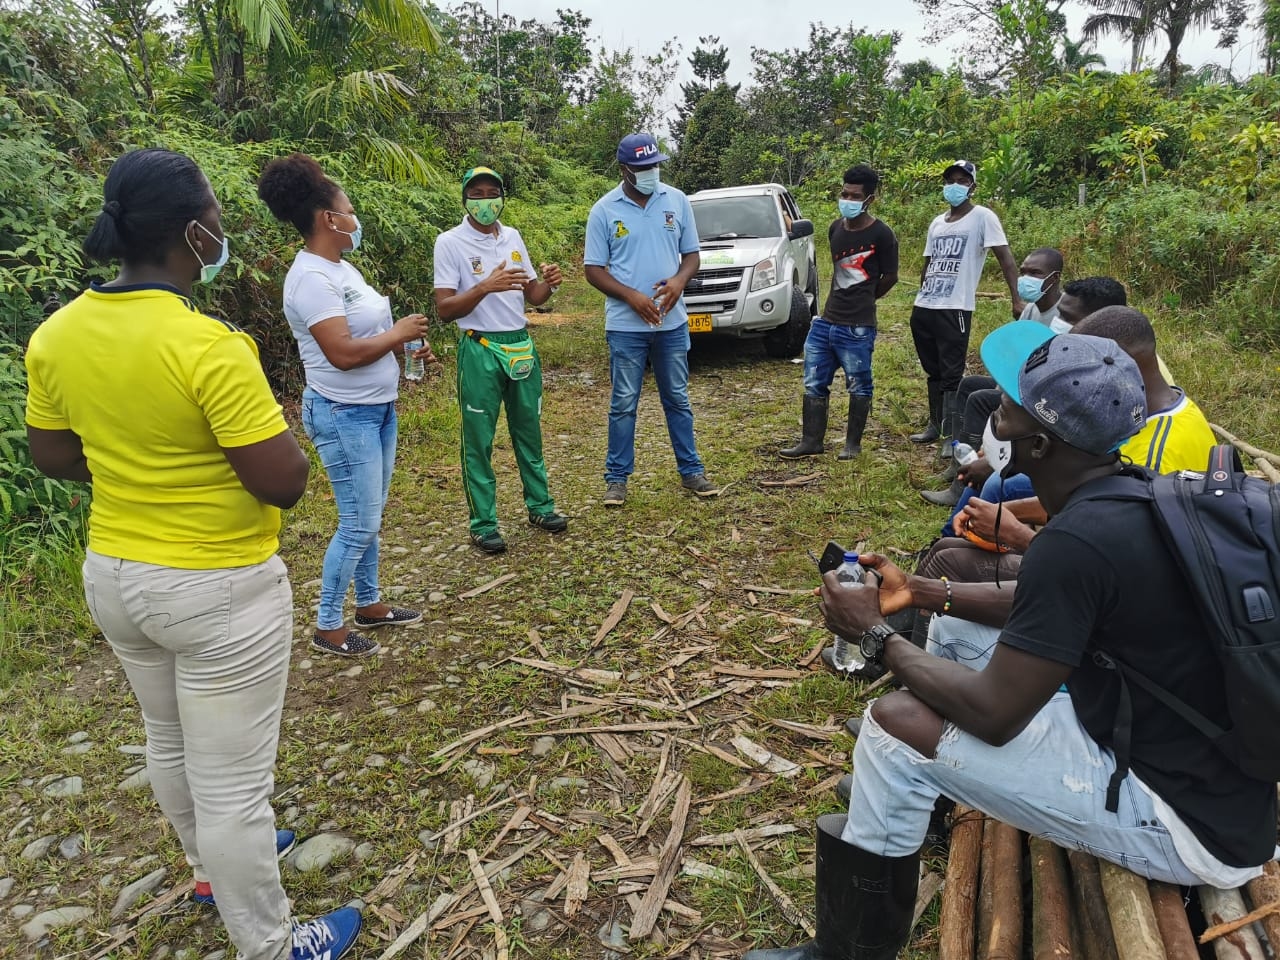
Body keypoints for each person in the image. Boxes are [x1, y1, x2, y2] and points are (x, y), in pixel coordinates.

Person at [746, 328, 1276, 960]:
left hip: (1182, 822)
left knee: (892, 729)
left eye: (1004, 410)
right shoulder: (1133, 495)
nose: (993, 418)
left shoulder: (1075, 543)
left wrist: (875, 635)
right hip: (1199, 772)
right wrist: (918, 592)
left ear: (1041, 444)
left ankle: (847, 952)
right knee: (955, 631)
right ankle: (933, 800)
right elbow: (1043, 610)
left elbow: (995, 717)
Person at [24, 148, 362, 960]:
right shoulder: (209, 345)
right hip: (216, 586)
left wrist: (138, 462)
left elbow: (52, 455)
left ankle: (207, 871)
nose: (223, 229)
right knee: (236, 789)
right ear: (189, 231)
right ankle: (273, 944)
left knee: (167, 740)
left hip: (115, 577)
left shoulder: (57, 333)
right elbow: (281, 481)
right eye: (214, 215)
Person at [258, 153, 432, 658]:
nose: (355, 218)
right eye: (348, 209)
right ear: (329, 219)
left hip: (376, 407)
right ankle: (328, 626)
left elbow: (367, 333)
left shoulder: (342, 269)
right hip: (342, 412)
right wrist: (396, 333)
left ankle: (370, 604)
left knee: (370, 514)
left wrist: (401, 344)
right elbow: (340, 352)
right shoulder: (312, 279)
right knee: (358, 521)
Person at [433, 166, 569, 554]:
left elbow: (533, 295)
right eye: (476, 194)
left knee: (530, 432)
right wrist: (484, 287)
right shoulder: (450, 243)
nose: (485, 201)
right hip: (480, 348)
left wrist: (551, 283)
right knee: (479, 440)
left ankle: (541, 507)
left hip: (520, 345)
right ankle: (484, 522)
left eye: (493, 193)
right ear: (464, 199)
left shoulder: (512, 237)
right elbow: (445, 309)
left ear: (502, 198)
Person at [585, 132, 720, 507]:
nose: (650, 173)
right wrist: (630, 296)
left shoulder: (675, 200)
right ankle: (616, 479)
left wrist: (678, 281)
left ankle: (692, 471)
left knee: (677, 397)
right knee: (624, 401)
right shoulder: (604, 210)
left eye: (655, 165)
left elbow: (691, 255)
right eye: (642, 168)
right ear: (624, 169)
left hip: (672, 323)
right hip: (625, 327)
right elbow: (593, 269)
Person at [921, 274, 1128, 507]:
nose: (1058, 321)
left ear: (1099, 319)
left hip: (1067, 460)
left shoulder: (1113, 373)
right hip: (1042, 413)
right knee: (974, 388)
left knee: (987, 412)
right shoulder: (1078, 347)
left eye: (1067, 317)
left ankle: (966, 490)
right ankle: (962, 465)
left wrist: (997, 459)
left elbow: (1055, 422)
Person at [780, 164, 898, 461]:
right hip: (826, 321)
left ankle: (852, 444)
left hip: (857, 325)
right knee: (814, 379)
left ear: (869, 199)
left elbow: (890, 276)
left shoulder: (882, 234)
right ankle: (811, 440)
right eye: (844, 193)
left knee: (859, 382)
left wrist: (867, 300)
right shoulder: (835, 228)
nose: (847, 199)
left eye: (854, 195)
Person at [908, 160, 1022, 451]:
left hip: (955, 306)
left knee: (951, 372)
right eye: (950, 180)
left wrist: (1017, 297)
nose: (954, 186)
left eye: (962, 180)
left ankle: (950, 434)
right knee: (932, 370)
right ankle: (935, 423)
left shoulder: (983, 217)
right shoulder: (937, 222)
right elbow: (928, 262)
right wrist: (922, 294)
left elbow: (1005, 258)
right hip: (926, 305)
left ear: (972, 186)